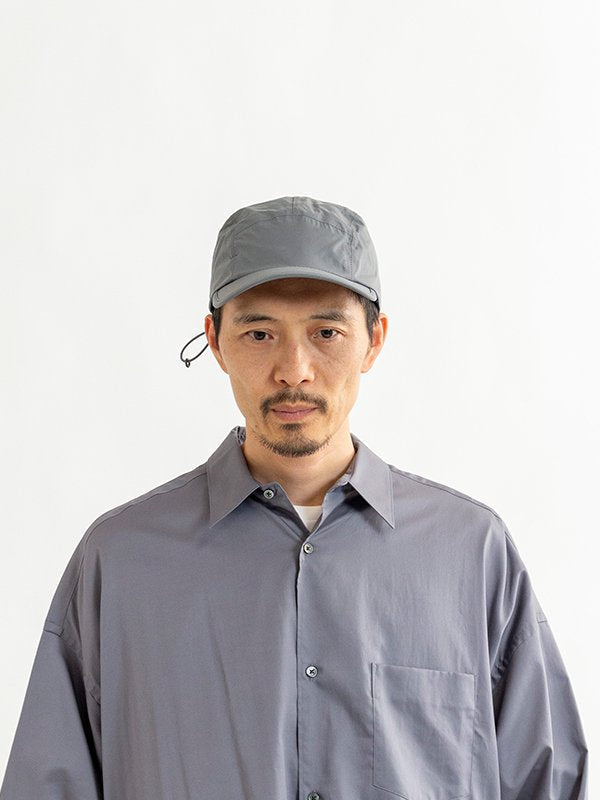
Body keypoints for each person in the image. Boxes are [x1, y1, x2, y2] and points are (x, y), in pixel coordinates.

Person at [0, 195, 588, 800]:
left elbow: (546, 783)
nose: (294, 370)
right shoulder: (121, 560)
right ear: (216, 341)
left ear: (374, 340)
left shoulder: (471, 551)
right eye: (259, 333)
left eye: (326, 332)